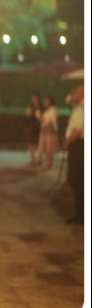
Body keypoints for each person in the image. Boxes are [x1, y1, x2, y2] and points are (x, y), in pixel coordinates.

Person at [63, 84, 84, 224]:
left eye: (76, 92)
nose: (73, 94)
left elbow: (76, 131)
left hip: (78, 146)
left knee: (76, 180)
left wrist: (66, 143)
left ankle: (81, 215)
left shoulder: (82, 109)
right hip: (81, 145)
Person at [38, 95, 58, 169]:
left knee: (49, 147)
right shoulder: (46, 110)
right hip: (44, 130)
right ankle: (48, 162)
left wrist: (43, 119)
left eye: (46, 101)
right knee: (46, 147)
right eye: (44, 101)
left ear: (50, 102)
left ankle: (50, 163)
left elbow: (52, 119)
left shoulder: (53, 109)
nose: (45, 102)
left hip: (49, 130)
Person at [25, 93, 42, 166]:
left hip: (38, 126)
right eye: (33, 98)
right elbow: (27, 114)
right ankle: (32, 159)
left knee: (39, 144)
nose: (34, 100)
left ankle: (38, 159)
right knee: (30, 143)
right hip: (30, 126)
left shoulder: (41, 107)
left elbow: (40, 117)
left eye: (35, 98)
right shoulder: (30, 106)